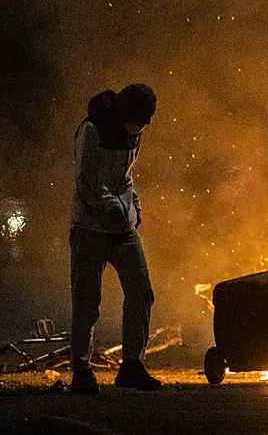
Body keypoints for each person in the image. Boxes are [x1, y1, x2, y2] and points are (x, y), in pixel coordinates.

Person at [69, 83, 163, 394]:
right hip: (90, 227)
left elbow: (126, 176)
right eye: (138, 119)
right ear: (123, 111)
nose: (140, 128)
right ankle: (81, 371)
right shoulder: (92, 130)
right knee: (87, 301)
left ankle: (132, 365)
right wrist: (109, 207)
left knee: (141, 291)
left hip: (123, 228)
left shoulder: (133, 132)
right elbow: (86, 180)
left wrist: (134, 205)